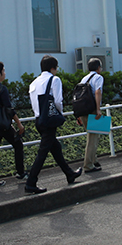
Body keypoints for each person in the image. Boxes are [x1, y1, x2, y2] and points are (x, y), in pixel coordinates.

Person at [24, 55, 82, 194]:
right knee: (43, 152)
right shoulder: (54, 80)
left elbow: (34, 103)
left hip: (39, 119)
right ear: (53, 68)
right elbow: (58, 101)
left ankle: (69, 174)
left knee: (55, 148)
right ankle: (30, 182)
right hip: (50, 120)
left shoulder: (34, 82)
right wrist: (59, 114)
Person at [0, 61, 26, 188]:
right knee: (18, 144)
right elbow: (9, 109)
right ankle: (21, 173)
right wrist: (19, 124)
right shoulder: (2, 89)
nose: (5, 73)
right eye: (4, 71)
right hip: (2, 125)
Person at [77, 58, 104, 173]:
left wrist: (78, 115)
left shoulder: (84, 78)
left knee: (93, 136)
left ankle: (94, 160)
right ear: (98, 68)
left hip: (83, 111)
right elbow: (98, 92)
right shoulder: (98, 77)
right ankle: (88, 165)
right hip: (92, 111)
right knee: (93, 138)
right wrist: (98, 109)